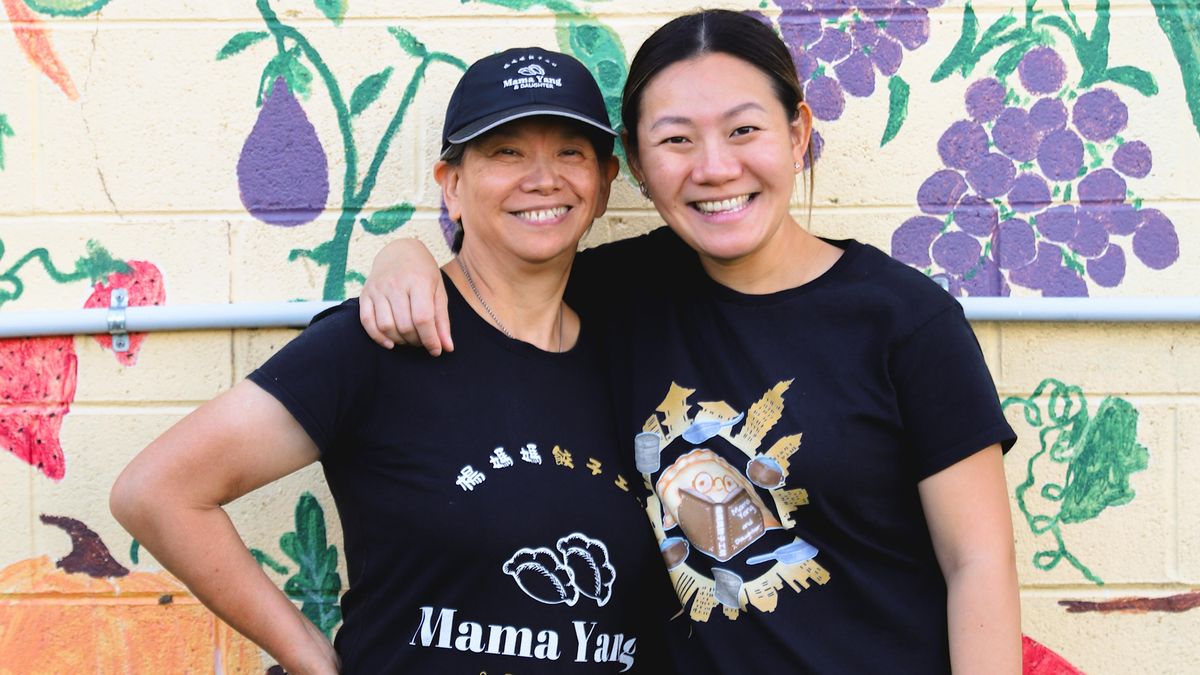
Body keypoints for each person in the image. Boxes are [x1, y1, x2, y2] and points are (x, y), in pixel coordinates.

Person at [359, 9, 1022, 674]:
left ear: (798, 134)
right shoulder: (609, 296)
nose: (715, 167)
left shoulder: (906, 322)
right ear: (638, 168)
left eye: (744, 130)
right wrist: (406, 257)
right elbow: (493, 283)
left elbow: (978, 563)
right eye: (676, 140)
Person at [110, 46, 680, 674]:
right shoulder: (379, 341)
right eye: (506, 152)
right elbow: (156, 492)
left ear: (602, 186)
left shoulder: (631, 348)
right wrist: (310, 658)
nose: (542, 177)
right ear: (453, 186)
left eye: (570, 152)